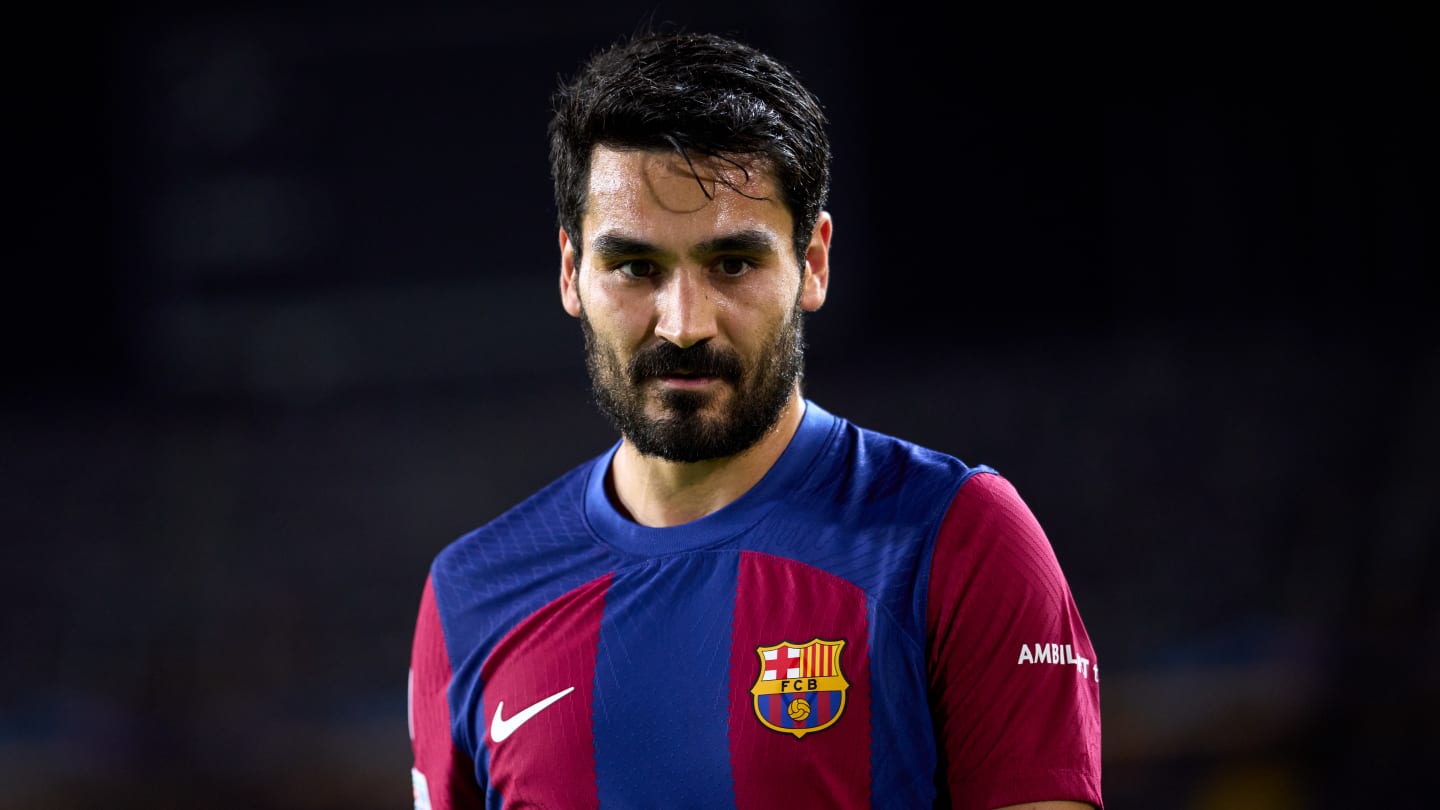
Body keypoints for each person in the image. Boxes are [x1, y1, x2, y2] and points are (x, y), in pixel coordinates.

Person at [407, 27, 1103, 810]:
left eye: (732, 263)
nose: (684, 324)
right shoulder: (471, 595)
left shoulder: (958, 540)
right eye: (635, 266)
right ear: (572, 273)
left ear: (813, 262)